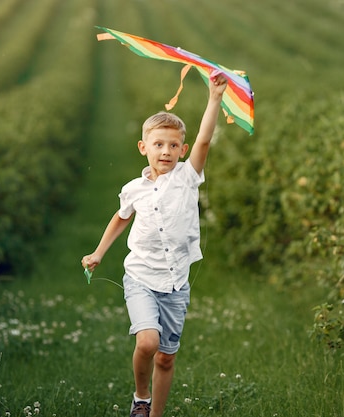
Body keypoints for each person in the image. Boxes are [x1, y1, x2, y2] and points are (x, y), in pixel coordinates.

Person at [81, 72, 228, 417]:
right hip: (141, 277)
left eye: (174, 145)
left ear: (183, 150)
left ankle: (155, 414)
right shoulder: (134, 188)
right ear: (143, 147)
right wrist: (98, 253)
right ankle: (141, 397)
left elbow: (206, 141)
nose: (166, 151)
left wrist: (215, 97)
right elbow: (121, 217)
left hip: (176, 284)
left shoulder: (187, 178)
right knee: (147, 342)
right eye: (159, 144)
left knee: (166, 356)